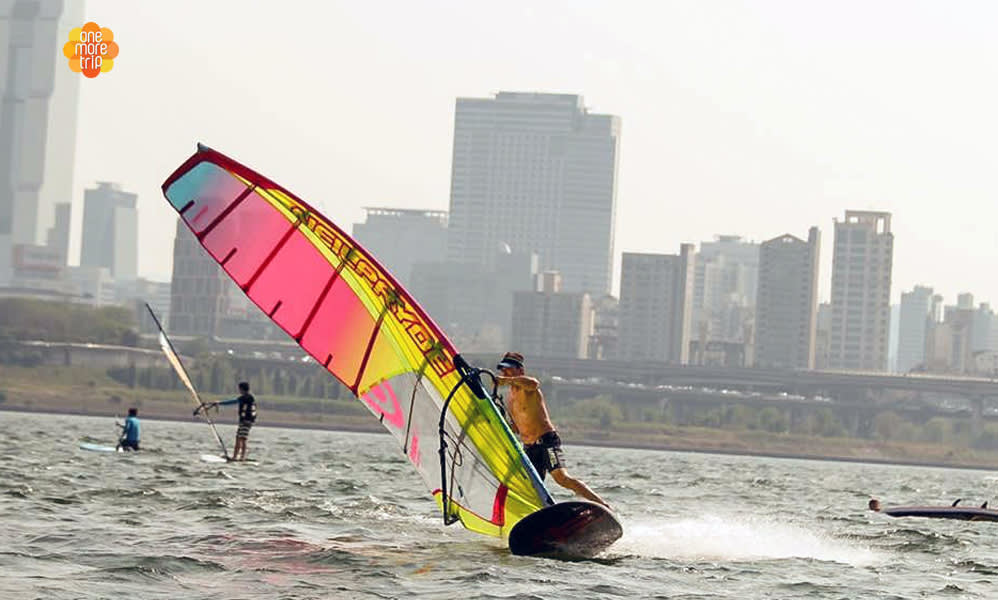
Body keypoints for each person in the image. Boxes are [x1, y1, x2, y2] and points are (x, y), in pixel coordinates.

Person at [494, 351, 611, 510]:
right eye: (503, 369)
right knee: (527, 486)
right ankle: (538, 516)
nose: (504, 372)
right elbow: (515, 428)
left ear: (520, 370)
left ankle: (603, 506)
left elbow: (534, 383)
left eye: (508, 369)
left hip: (546, 441)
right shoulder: (510, 398)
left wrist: (506, 380)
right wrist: (501, 418)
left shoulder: (528, 388)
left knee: (561, 478)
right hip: (529, 447)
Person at [197, 381, 257, 461]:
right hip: (248, 421)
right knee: (242, 438)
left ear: (242, 389)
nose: (239, 390)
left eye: (239, 389)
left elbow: (233, 402)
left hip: (246, 421)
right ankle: (241, 457)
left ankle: (237, 457)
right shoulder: (250, 397)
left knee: (240, 438)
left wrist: (219, 403)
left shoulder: (245, 398)